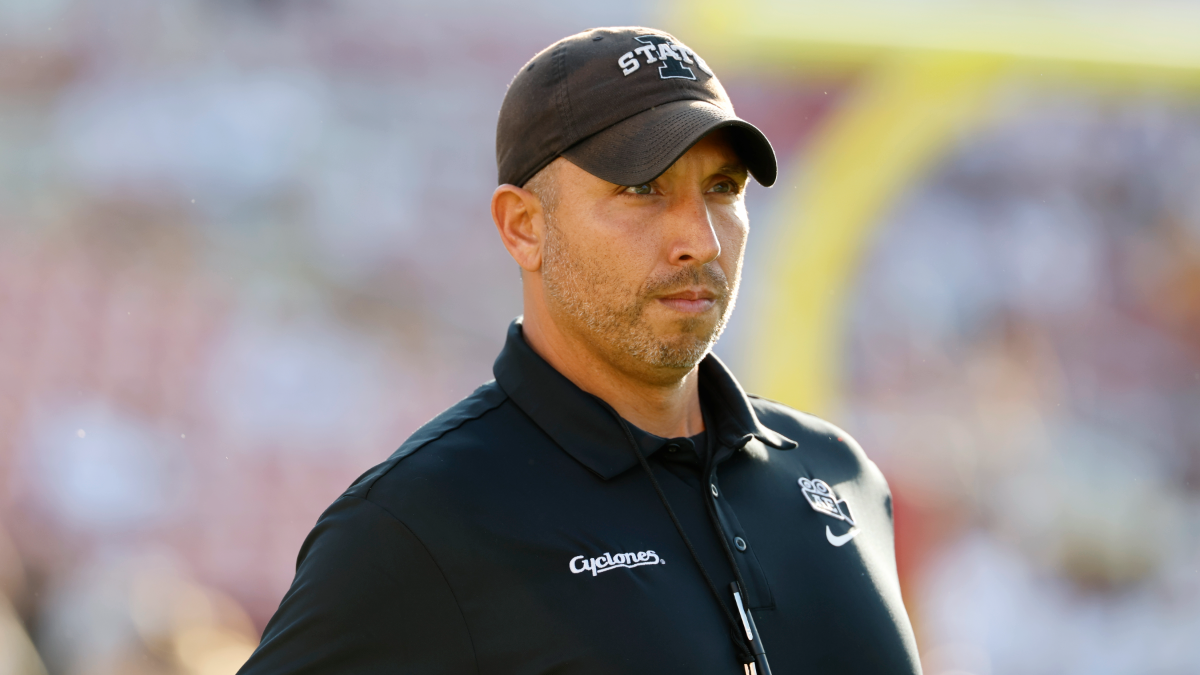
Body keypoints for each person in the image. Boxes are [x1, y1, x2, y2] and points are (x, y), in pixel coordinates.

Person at [238, 27, 920, 675]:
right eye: (643, 188)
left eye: (723, 188)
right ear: (523, 226)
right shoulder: (418, 523)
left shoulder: (842, 477)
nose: (702, 240)